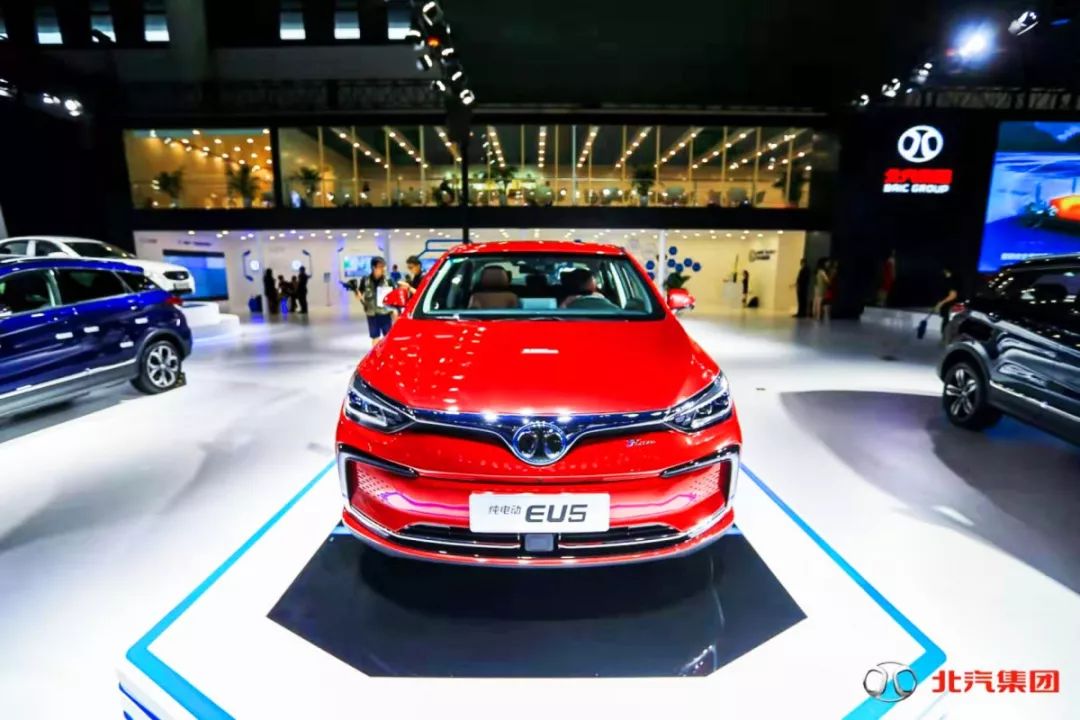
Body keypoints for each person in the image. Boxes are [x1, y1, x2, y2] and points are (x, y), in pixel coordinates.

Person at [354, 257, 394, 343]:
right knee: (375, 338)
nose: (383, 269)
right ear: (373, 268)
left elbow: (395, 296)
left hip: (385, 314)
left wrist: (395, 310)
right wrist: (357, 294)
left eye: (384, 266)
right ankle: (376, 352)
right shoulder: (365, 280)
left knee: (388, 338)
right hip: (372, 314)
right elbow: (359, 294)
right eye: (380, 266)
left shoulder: (389, 280)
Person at [933, 266, 964, 337]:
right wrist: (939, 303)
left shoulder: (951, 280)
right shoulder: (950, 280)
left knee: (947, 325)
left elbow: (953, 295)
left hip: (950, 307)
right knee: (946, 323)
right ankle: (945, 338)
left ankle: (945, 339)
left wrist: (941, 303)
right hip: (949, 307)